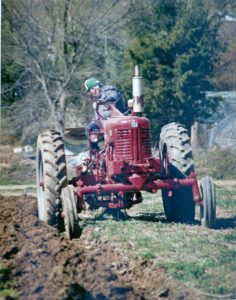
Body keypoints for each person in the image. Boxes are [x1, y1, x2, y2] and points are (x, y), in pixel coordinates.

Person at [84, 77, 127, 149]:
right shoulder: (100, 96)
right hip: (104, 122)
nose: (90, 93)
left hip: (116, 120)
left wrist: (101, 101)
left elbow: (113, 96)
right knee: (89, 128)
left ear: (94, 89)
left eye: (90, 90)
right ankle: (95, 151)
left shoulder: (109, 90)